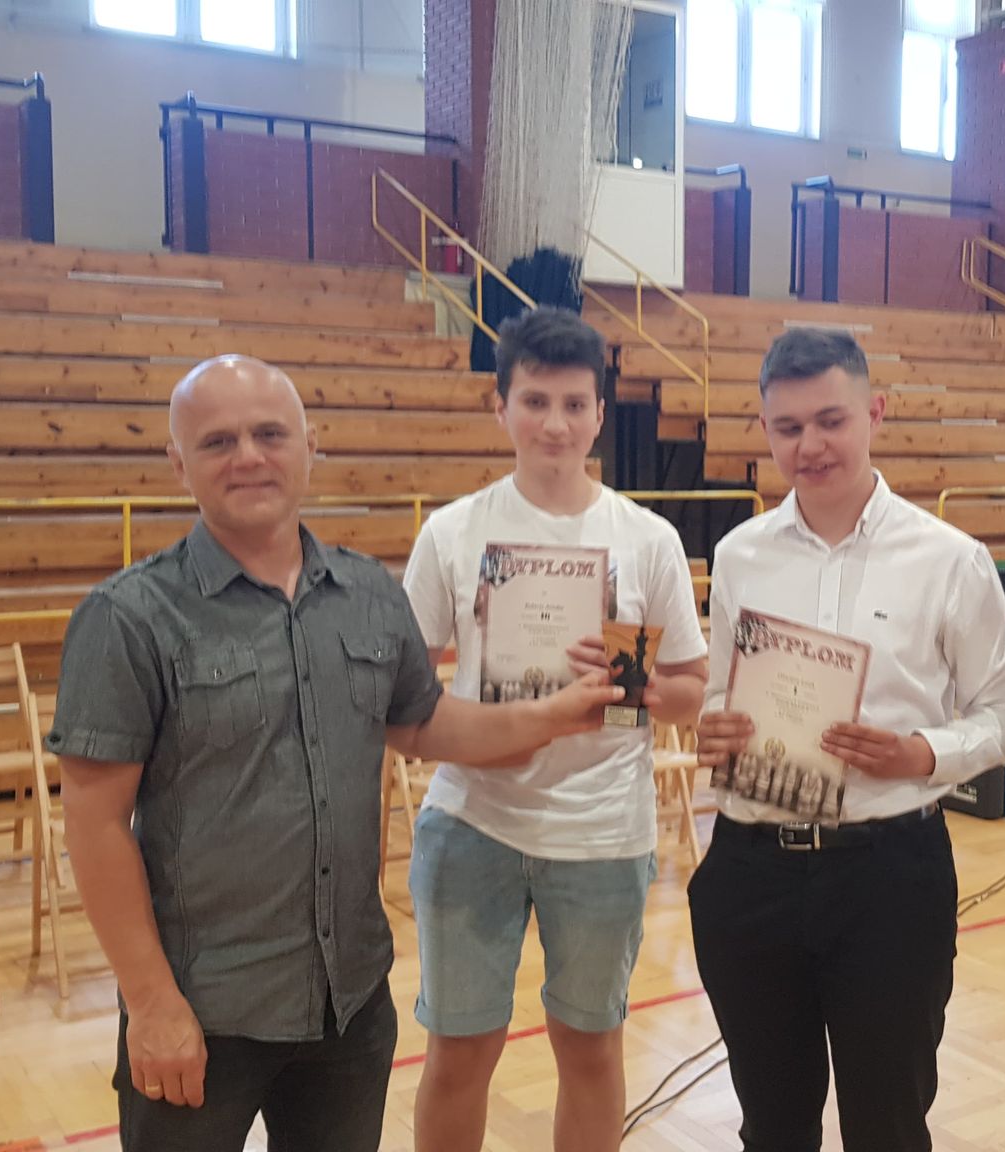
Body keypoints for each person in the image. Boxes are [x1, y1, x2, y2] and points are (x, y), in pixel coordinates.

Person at [50, 355, 617, 1152]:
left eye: (270, 434)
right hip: (202, 1011)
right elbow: (94, 822)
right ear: (179, 463)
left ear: (310, 446)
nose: (249, 457)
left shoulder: (368, 593)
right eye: (218, 442)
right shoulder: (128, 617)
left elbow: (425, 725)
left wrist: (553, 716)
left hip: (347, 1008)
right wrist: (149, 1002)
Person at [689, 328, 1005, 1152]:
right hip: (750, 871)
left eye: (830, 421)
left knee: (887, 1125)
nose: (809, 445)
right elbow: (723, 692)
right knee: (771, 1127)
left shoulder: (950, 560)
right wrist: (716, 724)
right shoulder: (739, 555)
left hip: (888, 876)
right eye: (788, 427)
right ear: (766, 431)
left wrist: (924, 755)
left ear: (875, 412)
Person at [400, 308, 709, 1152]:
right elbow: (404, 695)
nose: (555, 424)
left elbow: (692, 692)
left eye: (575, 404)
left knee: (591, 1049)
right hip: (473, 822)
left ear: (600, 413)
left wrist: (637, 685)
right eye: (535, 402)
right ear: (500, 405)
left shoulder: (647, 540)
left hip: (602, 832)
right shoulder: (452, 533)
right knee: (459, 1053)